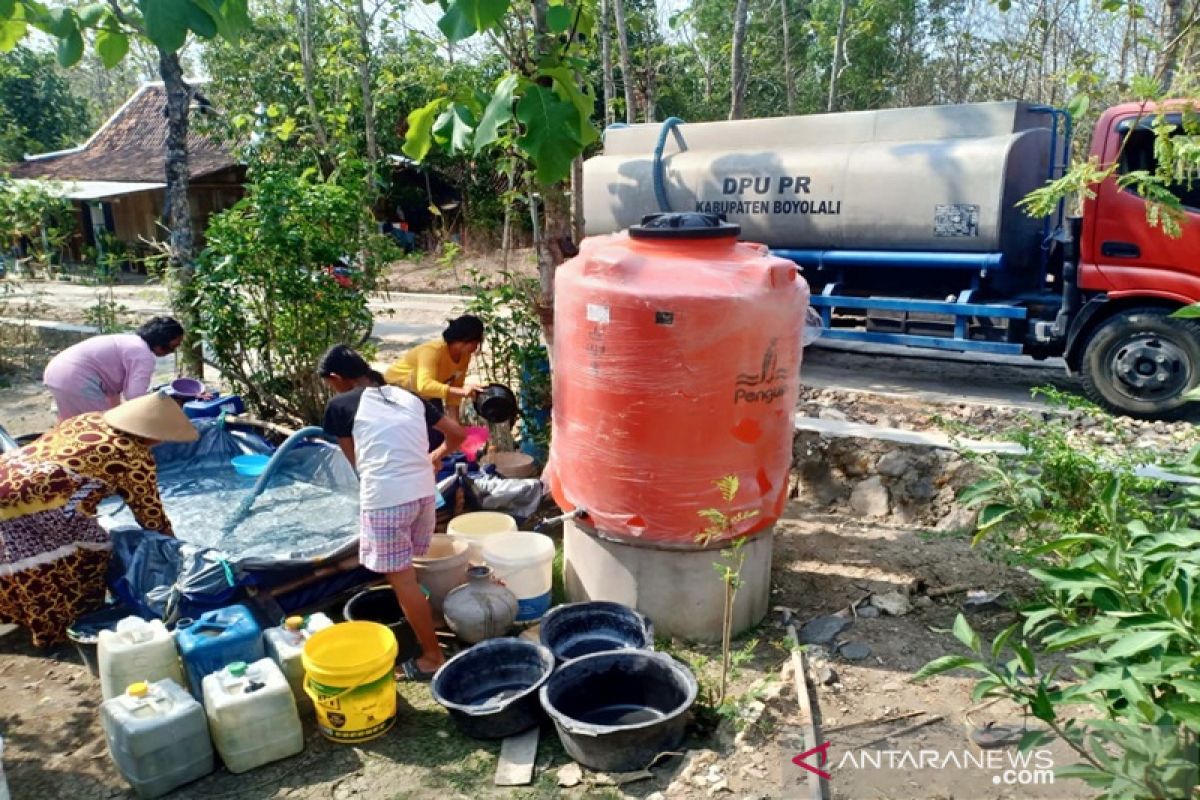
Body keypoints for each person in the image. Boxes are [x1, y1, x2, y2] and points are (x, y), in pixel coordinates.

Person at [0, 390, 198, 647]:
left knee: (11, 553)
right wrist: (175, 552)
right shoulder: (131, 454)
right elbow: (150, 515)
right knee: (86, 552)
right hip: (34, 501)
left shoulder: (90, 419)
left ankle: (15, 611)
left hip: (8, 473)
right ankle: (61, 624)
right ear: (151, 435)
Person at [319, 344, 465, 680]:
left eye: (330, 383)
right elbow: (457, 434)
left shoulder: (340, 405)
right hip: (423, 495)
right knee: (407, 571)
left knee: (402, 582)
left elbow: (357, 465)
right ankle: (427, 624)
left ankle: (432, 656)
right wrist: (436, 456)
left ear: (336, 378)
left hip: (388, 499)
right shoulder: (408, 396)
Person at [43, 316, 185, 421]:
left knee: (70, 424)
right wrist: (166, 404)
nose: (172, 352)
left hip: (57, 372)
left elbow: (115, 398)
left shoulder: (129, 342)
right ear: (161, 343)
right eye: (173, 347)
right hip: (76, 378)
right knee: (97, 428)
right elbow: (135, 397)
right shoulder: (143, 355)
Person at [384, 315, 484, 450]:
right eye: (476, 342)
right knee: (417, 439)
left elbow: (453, 394)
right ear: (466, 340)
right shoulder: (432, 351)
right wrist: (461, 391)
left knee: (438, 436)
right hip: (399, 393)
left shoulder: (464, 356)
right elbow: (424, 385)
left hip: (428, 394)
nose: (476, 347)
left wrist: (454, 427)